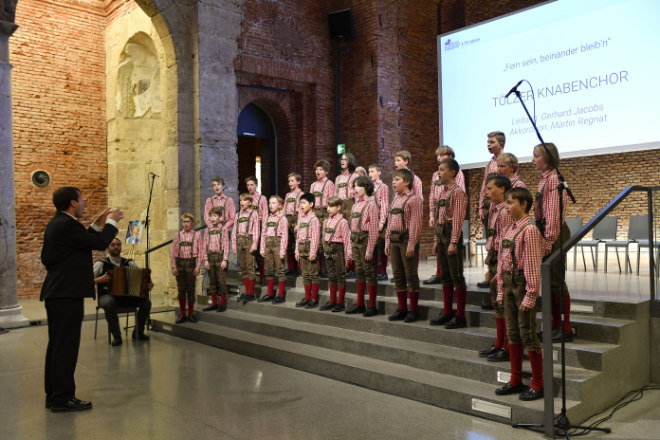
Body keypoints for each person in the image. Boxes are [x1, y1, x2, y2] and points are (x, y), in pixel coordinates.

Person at [41, 186, 123, 412]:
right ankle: (62, 398)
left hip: (60, 293)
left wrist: (96, 225)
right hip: (66, 293)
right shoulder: (66, 224)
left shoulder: (60, 223)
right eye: (81, 200)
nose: (84, 203)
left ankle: (55, 396)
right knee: (65, 348)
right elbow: (97, 244)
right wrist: (112, 222)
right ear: (73, 203)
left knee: (58, 347)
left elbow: (83, 241)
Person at [495, 187, 545, 401]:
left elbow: (533, 265)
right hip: (507, 283)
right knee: (512, 332)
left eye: (510, 203)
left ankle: (538, 383)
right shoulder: (509, 229)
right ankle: (515, 379)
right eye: (505, 203)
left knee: (528, 334)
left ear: (523, 204)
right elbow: (501, 261)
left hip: (521, 285)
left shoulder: (530, 230)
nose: (506, 207)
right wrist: (499, 288)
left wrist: (531, 294)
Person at [533, 142, 574, 342]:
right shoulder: (543, 180)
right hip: (544, 231)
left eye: (537, 156)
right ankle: (554, 325)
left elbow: (553, 213)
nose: (533, 160)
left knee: (557, 280)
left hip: (554, 232)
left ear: (547, 157)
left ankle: (565, 327)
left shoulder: (554, 179)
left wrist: (549, 238)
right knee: (549, 281)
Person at [428, 159, 468, 329]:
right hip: (442, 233)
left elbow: (458, 219)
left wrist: (453, 242)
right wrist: (436, 240)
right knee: (444, 275)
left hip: (452, 234)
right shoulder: (442, 192)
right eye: (438, 169)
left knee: (456, 276)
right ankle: (447, 311)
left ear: (452, 172)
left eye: (442, 169)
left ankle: (460, 315)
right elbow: (438, 218)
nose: (438, 173)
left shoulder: (458, 192)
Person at [477, 176, 513, 361]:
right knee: (496, 303)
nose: (487, 192)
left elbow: (506, 242)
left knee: (504, 303)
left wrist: (500, 268)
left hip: (502, 259)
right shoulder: (494, 209)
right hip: (493, 257)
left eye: (490, 189)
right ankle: (499, 342)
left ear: (502, 189)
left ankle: (507, 345)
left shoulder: (506, 212)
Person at [94, 238, 153, 346]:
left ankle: (138, 332)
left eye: (118, 245)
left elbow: (141, 278)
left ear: (120, 247)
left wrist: (148, 285)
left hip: (127, 297)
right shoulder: (101, 264)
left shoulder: (129, 263)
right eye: (113, 245)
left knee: (146, 303)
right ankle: (117, 336)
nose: (116, 247)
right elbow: (85, 279)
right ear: (108, 248)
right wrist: (98, 280)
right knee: (108, 303)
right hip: (107, 296)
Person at [386, 169, 423, 323]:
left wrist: (411, 244)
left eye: (397, 179)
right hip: (394, 240)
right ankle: (402, 308)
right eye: (393, 179)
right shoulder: (395, 200)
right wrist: (387, 241)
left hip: (406, 240)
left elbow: (415, 224)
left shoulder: (414, 200)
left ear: (407, 182)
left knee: (410, 275)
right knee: (398, 274)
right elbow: (390, 222)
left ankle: (413, 309)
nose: (393, 182)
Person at [425, 145, 465, 285]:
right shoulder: (435, 175)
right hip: (439, 212)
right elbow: (432, 195)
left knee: (451, 256)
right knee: (440, 247)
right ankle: (439, 272)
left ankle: (447, 274)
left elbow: (459, 193)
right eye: (437, 156)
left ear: (450, 156)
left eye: (441, 155)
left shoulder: (457, 174)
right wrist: (431, 215)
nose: (438, 158)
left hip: (450, 212)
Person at [347, 176, 380, 317]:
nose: (355, 188)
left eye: (357, 186)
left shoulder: (371, 204)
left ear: (366, 187)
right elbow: (351, 227)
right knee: (359, 272)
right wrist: (349, 247)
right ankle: (360, 304)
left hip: (366, 240)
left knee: (370, 273)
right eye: (354, 186)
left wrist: (370, 249)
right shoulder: (355, 205)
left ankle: (372, 305)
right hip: (355, 240)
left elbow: (373, 228)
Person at [477, 131, 506, 289]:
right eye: (488, 142)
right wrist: (481, 205)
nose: (488, 145)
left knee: (500, 242)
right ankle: (490, 274)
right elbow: (484, 186)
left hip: (501, 206)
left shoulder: (506, 161)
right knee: (490, 241)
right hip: (490, 206)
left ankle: (499, 276)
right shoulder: (489, 164)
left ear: (500, 144)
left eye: (492, 142)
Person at [319, 196, 352, 312]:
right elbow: (323, 237)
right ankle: (332, 301)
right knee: (331, 276)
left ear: (338, 207)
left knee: (340, 276)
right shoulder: (326, 221)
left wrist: (348, 257)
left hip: (339, 249)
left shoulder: (342, 222)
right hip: (328, 249)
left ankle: (340, 302)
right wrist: (325, 249)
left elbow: (347, 240)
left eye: (331, 206)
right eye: (327, 206)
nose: (328, 209)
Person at [171, 213, 202, 323]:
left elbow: (200, 252)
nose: (186, 224)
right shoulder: (177, 235)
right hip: (180, 264)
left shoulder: (197, 235)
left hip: (191, 263)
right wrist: (173, 266)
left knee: (190, 289)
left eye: (188, 221)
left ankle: (191, 313)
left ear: (192, 223)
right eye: (184, 222)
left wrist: (198, 266)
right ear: (182, 223)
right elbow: (173, 252)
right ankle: (182, 313)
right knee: (181, 289)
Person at [258, 196, 289, 303]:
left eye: (274, 203)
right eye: (270, 203)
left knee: (280, 270)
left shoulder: (282, 219)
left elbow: (285, 236)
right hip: (268, 245)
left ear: (280, 206)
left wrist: (282, 251)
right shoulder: (267, 218)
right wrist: (262, 248)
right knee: (268, 270)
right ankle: (270, 294)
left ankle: (280, 295)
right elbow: (263, 234)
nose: (271, 205)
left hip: (278, 244)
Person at [310, 159, 336, 278]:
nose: (318, 171)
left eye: (320, 169)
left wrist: (331, 217)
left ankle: (326, 269)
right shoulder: (313, 185)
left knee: (325, 240)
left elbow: (332, 201)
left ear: (326, 171)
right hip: (315, 213)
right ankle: (318, 268)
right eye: (316, 169)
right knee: (315, 240)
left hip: (325, 213)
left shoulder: (329, 184)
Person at [201, 206, 230, 312]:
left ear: (220, 217)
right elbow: (204, 245)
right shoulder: (207, 230)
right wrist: (205, 260)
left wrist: (225, 259)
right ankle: (214, 303)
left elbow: (226, 245)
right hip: (210, 257)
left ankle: (222, 303)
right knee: (212, 282)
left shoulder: (223, 229)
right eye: (211, 216)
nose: (212, 218)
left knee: (221, 281)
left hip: (220, 257)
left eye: (215, 216)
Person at [295, 193, 321, 308]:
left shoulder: (314, 219)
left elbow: (315, 237)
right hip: (301, 248)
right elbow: (298, 236)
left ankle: (314, 298)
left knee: (313, 274)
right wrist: (296, 250)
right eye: (300, 203)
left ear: (311, 204)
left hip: (310, 247)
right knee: (305, 274)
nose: (301, 205)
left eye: (304, 203)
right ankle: (307, 297)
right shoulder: (301, 218)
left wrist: (313, 252)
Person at [233, 193, 260, 302]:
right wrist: (234, 245)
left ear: (249, 202)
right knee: (243, 267)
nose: (242, 202)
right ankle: (247, 291)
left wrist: (254, 244)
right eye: (240, 200)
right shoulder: (238, 215)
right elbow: (234, 231)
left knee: (250, 266)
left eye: (244, 200)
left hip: (249, 240)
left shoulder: (254, 214)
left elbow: (256, 230)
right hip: (240, 241)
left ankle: (251, 293)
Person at [335, 153, 358, 279]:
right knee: (341, 237)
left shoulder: (354, 176)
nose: (343, 161)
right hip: (339, 207)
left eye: (346, 159)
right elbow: (334, 194)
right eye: (342, 159)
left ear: (350, 161)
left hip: (350, 206)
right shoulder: (338, 179)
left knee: (351, 237)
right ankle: (345, 266)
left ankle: (353, 268)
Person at [368, 164, 389, 280]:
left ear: (379, 173)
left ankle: (383, 271)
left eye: (372, 171)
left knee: (381, 246)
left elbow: (385, 204)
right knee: (373, 247)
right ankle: (375, 270)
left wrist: (382, 222)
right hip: (370, 221)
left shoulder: (383, 187)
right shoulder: (369, 187)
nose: (370, 174)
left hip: (379, 220)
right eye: (369, 172)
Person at [246, 176, 268, 284]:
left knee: (259, 252)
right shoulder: (246, 198)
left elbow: (265, 215)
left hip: (259, 226)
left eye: (252, 185)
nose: (250, 187)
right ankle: (251, 277)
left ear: (256, 185)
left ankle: (263, 276)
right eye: (248, 185)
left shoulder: (261, 198)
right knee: (249, 253)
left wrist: (264, 230)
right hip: (249, 227)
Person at [284, 172, 303, 276]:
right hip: (287, 219)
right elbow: (284, 208)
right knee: (289, 244)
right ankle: (291, 267)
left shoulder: (301, 195)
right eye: (289, 181)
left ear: (298, 182)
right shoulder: (287, 195)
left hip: (296, 220)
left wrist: (298, 224)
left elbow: (301, 211)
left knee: (297, 244)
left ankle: (299, 268)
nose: (290, 183)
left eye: (292, 181)